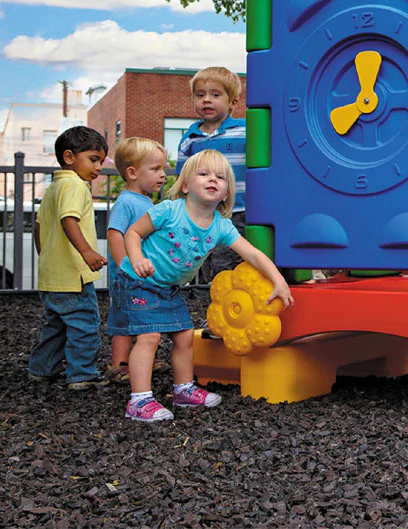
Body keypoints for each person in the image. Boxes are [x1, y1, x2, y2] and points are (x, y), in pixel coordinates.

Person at [115, 149, 295, 422]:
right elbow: (133, 232)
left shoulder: (221, 227)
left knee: (185, 336)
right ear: (186, 185)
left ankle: (183, 389)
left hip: (169, 288)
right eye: (204, 174)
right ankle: (139, 401)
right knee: (149, 337)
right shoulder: (169, 210)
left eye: (221, 177)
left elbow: (254, 254)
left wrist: (279, 281)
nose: (213, 179)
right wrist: (137, 258)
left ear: (226, 193)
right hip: (138, 281)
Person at [27, 126, 110, 390]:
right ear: (70, 157)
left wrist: (48, 258)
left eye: (101, 161)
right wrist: (86, 251)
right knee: (85, 324)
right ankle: (82, 374)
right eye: (93, 159)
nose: (98, 167)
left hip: (52, 276)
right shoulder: (75, 185)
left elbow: (39, 227)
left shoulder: (54, 187)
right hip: (74, 276)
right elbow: (68, 219)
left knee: (57, 326)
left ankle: (41, 369)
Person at [103, 137, 173, 384]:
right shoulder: (126, 202)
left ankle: (142, 359)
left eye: (163, 168)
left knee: (142, 317)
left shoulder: (144, 200)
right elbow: (115, 234)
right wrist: (125, 266)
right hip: (128, 276)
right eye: (155, 169)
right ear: (132, 173)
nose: (162, 175)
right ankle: (119, 365)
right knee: (123, 319)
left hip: (141, 274)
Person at [176, 66, 247, 281]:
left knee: (233, 263)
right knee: (207, 263)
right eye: (200, 95)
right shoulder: (190, 139)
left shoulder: (245, 130)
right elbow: (182, 180)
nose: (207, 100)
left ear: (233, 102)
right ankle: (212, 303)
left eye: (215, 95)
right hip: (204, 214)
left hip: (240, 211)